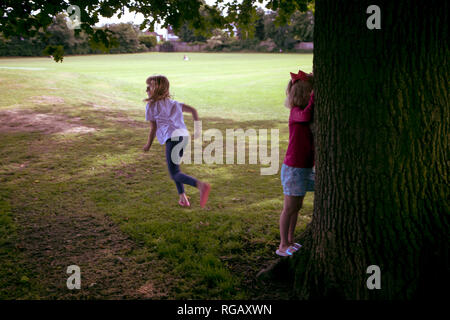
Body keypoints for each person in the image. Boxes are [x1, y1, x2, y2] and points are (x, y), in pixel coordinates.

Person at [143, 75, 211, 208]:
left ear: (157, 88)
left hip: (172, 139)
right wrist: (197, 130)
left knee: (174, 173)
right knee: (175, 170)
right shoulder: (174, 103)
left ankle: (201, 186)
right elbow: (193, 110)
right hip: (183, 137)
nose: (146, 90)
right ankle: (183, 198)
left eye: (148, 87)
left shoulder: (150, 106)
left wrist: (148, 145)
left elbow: (153, 128)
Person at [276, 70, 315, 256]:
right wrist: (316, 98)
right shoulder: (296, 113)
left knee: (297, 207)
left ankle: (291, 240)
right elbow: (306, 116)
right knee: (289, 208)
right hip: (294, 168)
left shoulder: (303, 112)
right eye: (310, 93)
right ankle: (283, 245)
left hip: (304, 167)